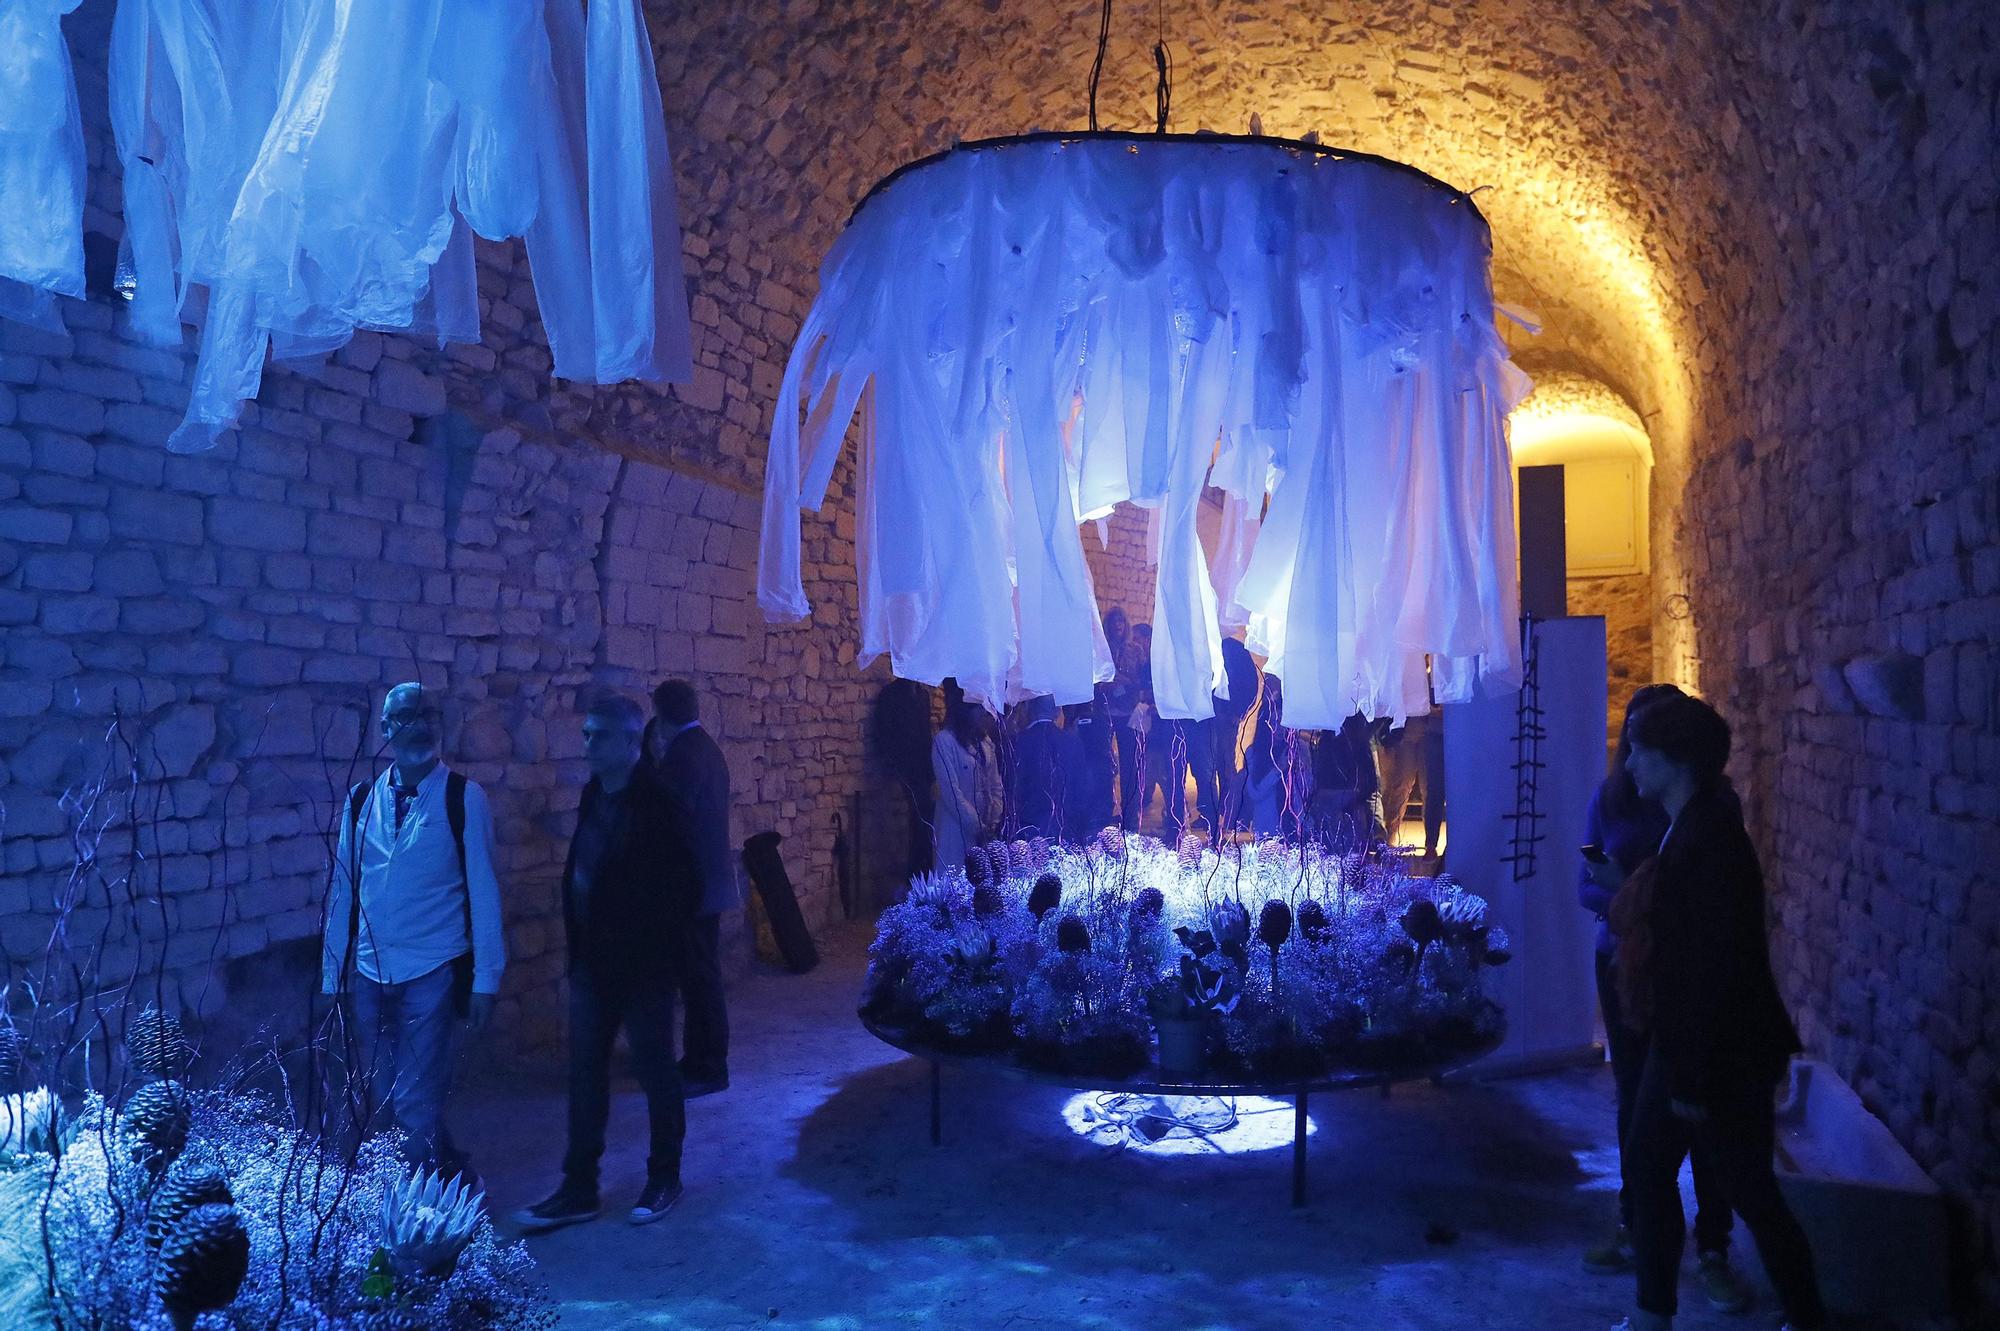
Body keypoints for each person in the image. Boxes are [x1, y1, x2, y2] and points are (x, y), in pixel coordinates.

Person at [1609, 694, 1825, 1331]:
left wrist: (1691, 1080)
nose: (1629, 766)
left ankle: (1808, 1318)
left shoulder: (1708, 841)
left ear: (1676, 760)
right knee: (1655, 1171)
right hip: (1695, 1050)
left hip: (1715, 1057)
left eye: (1640, 752)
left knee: (1747, 1191)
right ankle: (1655, 1314)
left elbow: (1712, 971)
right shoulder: (1698, 825)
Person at [1578, 684, 1750, 1314]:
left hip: (1679, 979)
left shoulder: (1704, 817)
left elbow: (1705, 920)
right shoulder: (1615, 797)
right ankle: (1640, 1233)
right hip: (1621, 964)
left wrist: (1634, 890)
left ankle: (1712, 1250)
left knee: (1693, 1117)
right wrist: (1623, 898)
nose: (1629, 756)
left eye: (1641, 743)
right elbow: (1586, 888)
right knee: (1638, 1107)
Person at [515, 694, 692, 1231]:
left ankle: (665, 1176)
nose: (586, 744)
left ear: (628, 741)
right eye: (586, 734)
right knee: (586, 1075)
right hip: (593, 965)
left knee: (655, 1073)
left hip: (642, 971)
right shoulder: (595, 793)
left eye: (597, 735)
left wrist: (659, 960)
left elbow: (684, 890)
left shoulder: (660, 804)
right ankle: (579, 1187)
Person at [322, 682, 504, 1182]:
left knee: (416, 1097)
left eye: (427, 713)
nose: (418, 723)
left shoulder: (463, 798)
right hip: (368, 968)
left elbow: (485, 891)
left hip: (433, 966)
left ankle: (416, 1210)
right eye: (404, 716)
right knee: (380, 1091)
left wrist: (487, 977)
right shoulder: (361, 802)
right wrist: (331, 975)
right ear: (385, 730)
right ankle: (444, 1171)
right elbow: (345, 888)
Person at [651, 678, 738, 1099]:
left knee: (700, 980)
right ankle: (698, 1058)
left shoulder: (682, 756)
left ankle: (708, 1066)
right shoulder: (707, 748)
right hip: (709, 883)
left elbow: (669, 822)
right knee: (700, 976)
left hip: (692, 889)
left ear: (661, 713)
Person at [931, 680, 1002, 873]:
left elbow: (995, 784)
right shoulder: (944, 742)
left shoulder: (985, 742)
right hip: (955, 832)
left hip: (984, 833)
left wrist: (992, 819)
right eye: (980, 708)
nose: (984, 714)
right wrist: (976, 825)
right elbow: (951, 794)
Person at [1009, 694, 1064, 839]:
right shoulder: (1066, 739)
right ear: (1056, 710)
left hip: (1028, 820)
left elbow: (1014, 782)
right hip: (1061, 822)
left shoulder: (1019, 741)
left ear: (1030, 707)